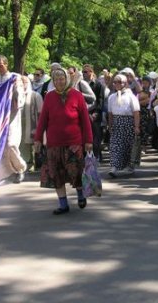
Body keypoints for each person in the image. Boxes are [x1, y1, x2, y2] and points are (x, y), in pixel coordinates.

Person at [34, 67, 93, 214]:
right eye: (56, 79)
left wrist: (88, 141)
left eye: (62, 79)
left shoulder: (77, 95)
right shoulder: (49, 97)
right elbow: (43, 121)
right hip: (54, 143)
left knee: (77, 172)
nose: (59, 82)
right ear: (53, 81)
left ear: (67, 79)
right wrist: (38, 139)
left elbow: (85, 121)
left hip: (74, 143)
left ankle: (80, 195)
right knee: (56, 175)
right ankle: (63, 204)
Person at [0, 55, 27, 184]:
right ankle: (8, 172)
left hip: (12, 115)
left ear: (6, 64)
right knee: (2, 145)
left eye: (1, 65)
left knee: (11, 143)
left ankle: (20, 169)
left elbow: (21, 95)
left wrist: (16, 92)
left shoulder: (14, 77)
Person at [107, 74, 140, 177]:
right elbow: (110, 113)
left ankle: (130, 166)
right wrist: (110, 124)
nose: (116, 84)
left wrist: (136, 126)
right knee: (115, 145)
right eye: (115, 82)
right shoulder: (112, 97)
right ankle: (114, 167)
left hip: (128, 122)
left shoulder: (131, 96)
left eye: (119, 82)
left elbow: (136, 112)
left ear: (125, 83)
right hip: (117, 123)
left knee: (128, 146)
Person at [20, 75, 43, 170]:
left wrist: (39, 128)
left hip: (34, 125)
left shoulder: (35, 95)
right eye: (21, 83)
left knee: (35, 147)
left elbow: (41, 112)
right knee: (23, 146)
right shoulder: (17, 95)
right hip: (21, 125)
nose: (23, 85)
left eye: (24, 82)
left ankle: (37, 166)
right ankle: (27, 165)